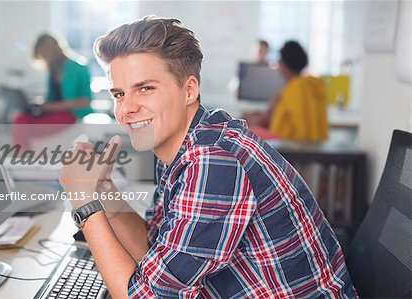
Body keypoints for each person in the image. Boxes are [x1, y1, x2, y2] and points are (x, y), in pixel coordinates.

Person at [59, 16, 358, 298]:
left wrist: (85, 203)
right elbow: (153, 250)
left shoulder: (212, 160)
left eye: (145, 89)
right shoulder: (181, 143)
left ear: (189, 90)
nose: (126, 109)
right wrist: (102, 189)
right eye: (119, 94)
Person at [12, 33, 93, 149]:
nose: (44, 59)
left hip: (71, 114)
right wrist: (42, 104)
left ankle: (25, 158)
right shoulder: (53, 69)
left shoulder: (79, 68)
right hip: (54, 112)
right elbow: (52, 98)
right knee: (20, 119)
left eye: (44, 55)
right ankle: (21, 160)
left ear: (51, 51)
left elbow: (85, 101)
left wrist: (55, 106)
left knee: (27, 128)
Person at [251, 40, 329, 142]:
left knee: (248, 134)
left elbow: (303, 130)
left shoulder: (296, 87)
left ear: (283, 64)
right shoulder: (312, 84)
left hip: (289, 146)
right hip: (311, 145)